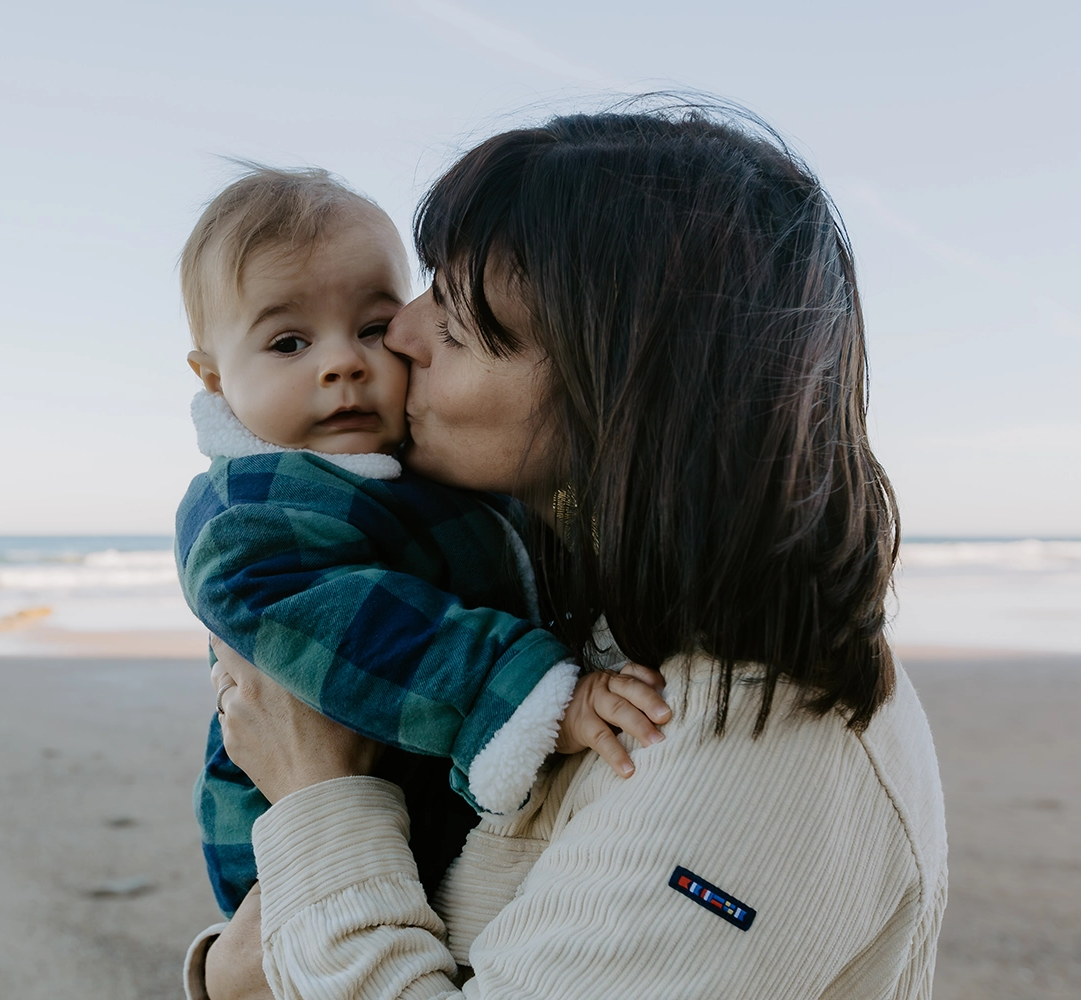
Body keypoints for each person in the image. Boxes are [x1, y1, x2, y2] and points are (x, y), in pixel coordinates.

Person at [193, 106, 948, 1000]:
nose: (398, 338)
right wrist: (234, 967)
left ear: (615, 392)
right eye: (429, 288)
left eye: (461, 325)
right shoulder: (578, 621)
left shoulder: (744, 745)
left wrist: (318, 796)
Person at [175, 166, 673, 919]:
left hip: (435, 821)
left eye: (373, 327)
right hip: (306, 860)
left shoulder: (422, 467)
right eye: (289, 341)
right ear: (215, 380)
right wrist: (538, 694)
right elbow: (371, 628)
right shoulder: (251, 514)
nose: (343, 361)